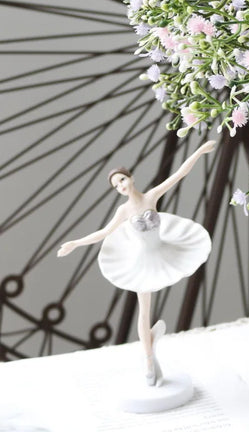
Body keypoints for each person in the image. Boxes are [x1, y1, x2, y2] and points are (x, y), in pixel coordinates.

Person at [57, 140, 216, 386]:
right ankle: (149, 360)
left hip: (163, 249)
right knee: (144, 310)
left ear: (131, 177)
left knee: (154, 301)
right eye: (116, 185)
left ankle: (150, 348)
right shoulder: (123, 211)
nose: (120, 186)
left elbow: (179, 174)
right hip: (142, 260)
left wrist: (199, 150)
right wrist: (75, 243)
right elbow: (103, 233)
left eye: (122, 179)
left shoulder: (150, 196)